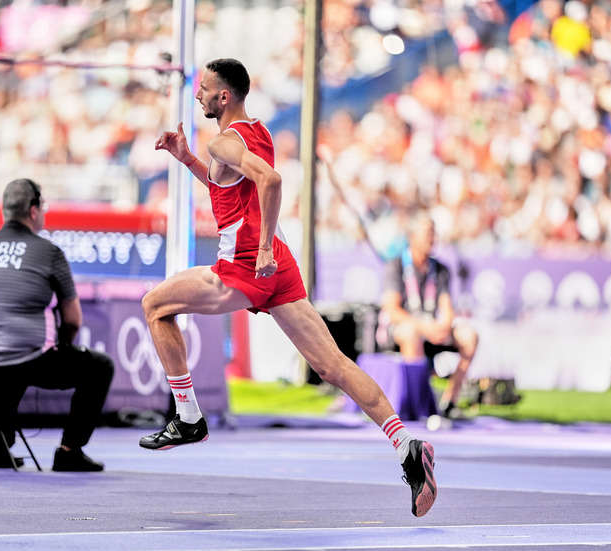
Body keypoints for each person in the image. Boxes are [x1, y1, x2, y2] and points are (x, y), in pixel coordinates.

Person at [148, 58, 437, 517]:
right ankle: (406, 445)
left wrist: (261, 248)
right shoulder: (256, 131)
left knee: (153, 305)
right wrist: (187, 159)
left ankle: (187, 416)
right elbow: (230, 187)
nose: (198, 95)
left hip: (246, 266)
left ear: (224, 97)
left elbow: (271, 181)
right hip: (278, 268)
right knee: (333, 366)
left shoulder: (225, 140)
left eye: (204, 89)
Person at [0, 178, 115, 472]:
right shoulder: (49, 252)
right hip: (21, 359)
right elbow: (73, 319)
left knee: (9, 354)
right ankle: (69, 451)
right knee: (99, 366)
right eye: (43, 207)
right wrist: (62, 346)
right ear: (32, 210)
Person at [378, 214, 479, 427]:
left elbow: (446, 307)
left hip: (431, 328)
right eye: (427, 234)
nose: (432, 239)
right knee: (411, 333)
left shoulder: (440, 269)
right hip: (402, 329)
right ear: (413, 237)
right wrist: (424, 327)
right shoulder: (396, 266)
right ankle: (419, 405)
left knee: (469, 336)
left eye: (434, 233)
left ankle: (450, 402)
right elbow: (392, 309)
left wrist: (444, 325)